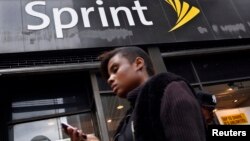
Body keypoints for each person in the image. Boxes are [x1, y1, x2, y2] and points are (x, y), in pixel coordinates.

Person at [64, 46, 207, 141]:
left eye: (115, 69)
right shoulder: (130, 116)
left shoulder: (169, 89)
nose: (110, 79)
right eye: (108, 75)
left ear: (138, 63)